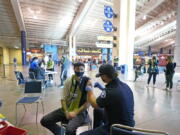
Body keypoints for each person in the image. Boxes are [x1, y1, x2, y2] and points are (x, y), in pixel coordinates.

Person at [81, 64, 135, 135]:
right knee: (98, 111)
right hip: (129, 125)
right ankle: (97, 131)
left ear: (104, 76)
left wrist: (89, 89)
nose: (101, 78)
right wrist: (103, 89)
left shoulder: (109, 91)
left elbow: (94, 104)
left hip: (117, 129)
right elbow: (114, 95)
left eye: (101, 76)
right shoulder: (125, 86)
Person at [41, 62, 91, 135]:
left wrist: (75, 112)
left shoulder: (87, 82)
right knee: (45, 120)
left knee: (69, 130)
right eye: (77, 69)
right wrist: (66, 112)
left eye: (81, 69)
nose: (79, 71)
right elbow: (63, 99)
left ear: (84, 70)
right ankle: (60, 132)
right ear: (74, 69)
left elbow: (88, 103)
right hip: (67, 108)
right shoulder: (69, 81)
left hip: (80, 112)